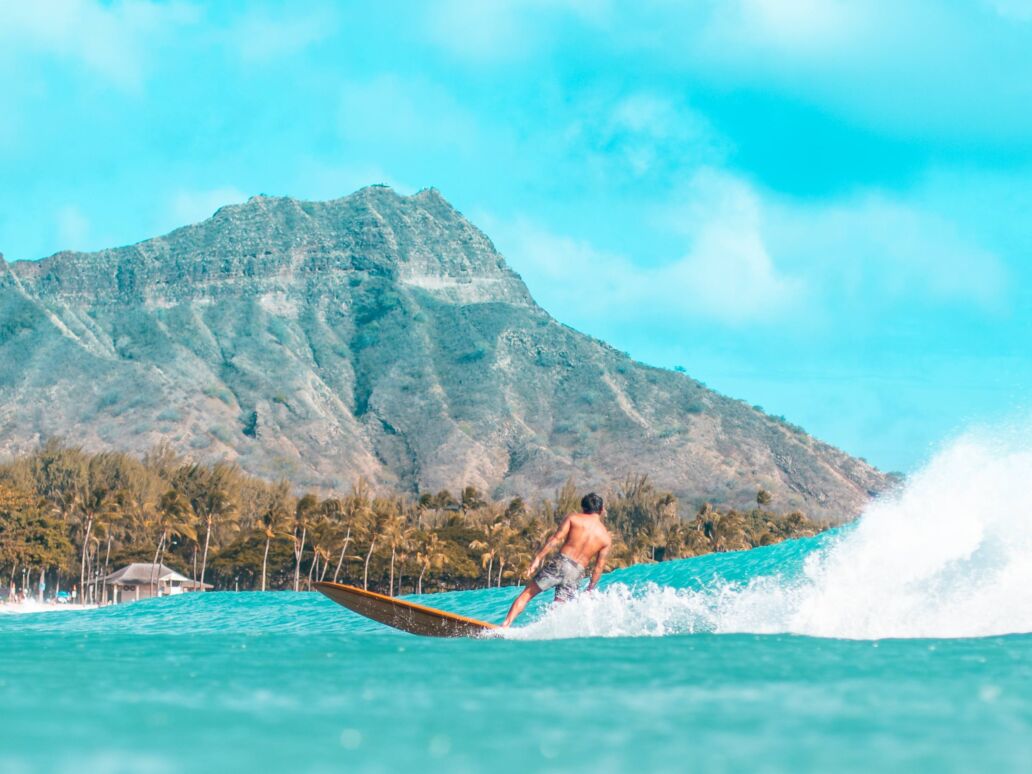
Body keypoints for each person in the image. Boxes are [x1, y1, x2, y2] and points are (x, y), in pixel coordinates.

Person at [501, 492, 612, 628]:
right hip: (576, 572)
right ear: (601, 510)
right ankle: (548, 630)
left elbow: (555, 539)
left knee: (528, 593)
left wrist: (537, 559)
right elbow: (598, 567)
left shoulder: (574, 518)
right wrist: (590, 587)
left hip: (561, 563)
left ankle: (506, 625)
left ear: (583, 508)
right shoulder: (606, 538)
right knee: (559, 607)